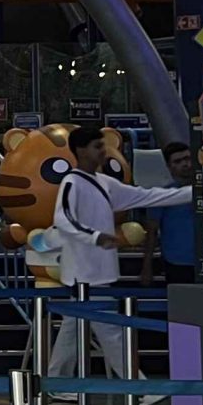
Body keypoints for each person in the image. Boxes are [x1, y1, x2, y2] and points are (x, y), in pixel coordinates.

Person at [46, 126, 193, 378]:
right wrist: (95, 236)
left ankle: (56, 381)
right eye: (97, 146)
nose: (103, 151)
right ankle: (138, 387)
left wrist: (194, 192)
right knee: (110, 332)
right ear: (81, 150)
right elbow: (64, 219)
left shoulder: (104, 182)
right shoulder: (72, 183)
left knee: (73, 331)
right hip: (85, 273)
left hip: (96, 272)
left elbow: (147, 196)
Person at [152, 142, 201, 284]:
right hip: (176, 262)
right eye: (178, 161)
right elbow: (152, 231)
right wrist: (146, 267)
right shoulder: (162, 196)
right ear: (169, 167)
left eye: (187, 159)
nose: (185, 164)